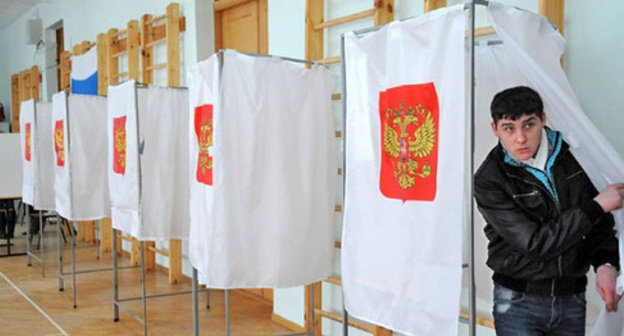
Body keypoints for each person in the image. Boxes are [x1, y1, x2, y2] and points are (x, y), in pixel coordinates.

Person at [474, 86, 624, 335]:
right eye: (509, 128)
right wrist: (597, 206)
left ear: (543, 119)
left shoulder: (576, 155)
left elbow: (600, 225)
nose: (520, 138)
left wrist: (606, 263)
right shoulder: (490, 179)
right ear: (495, 129)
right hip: (517, 301)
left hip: (572, 297)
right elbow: (535, 243)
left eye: (529, 125)